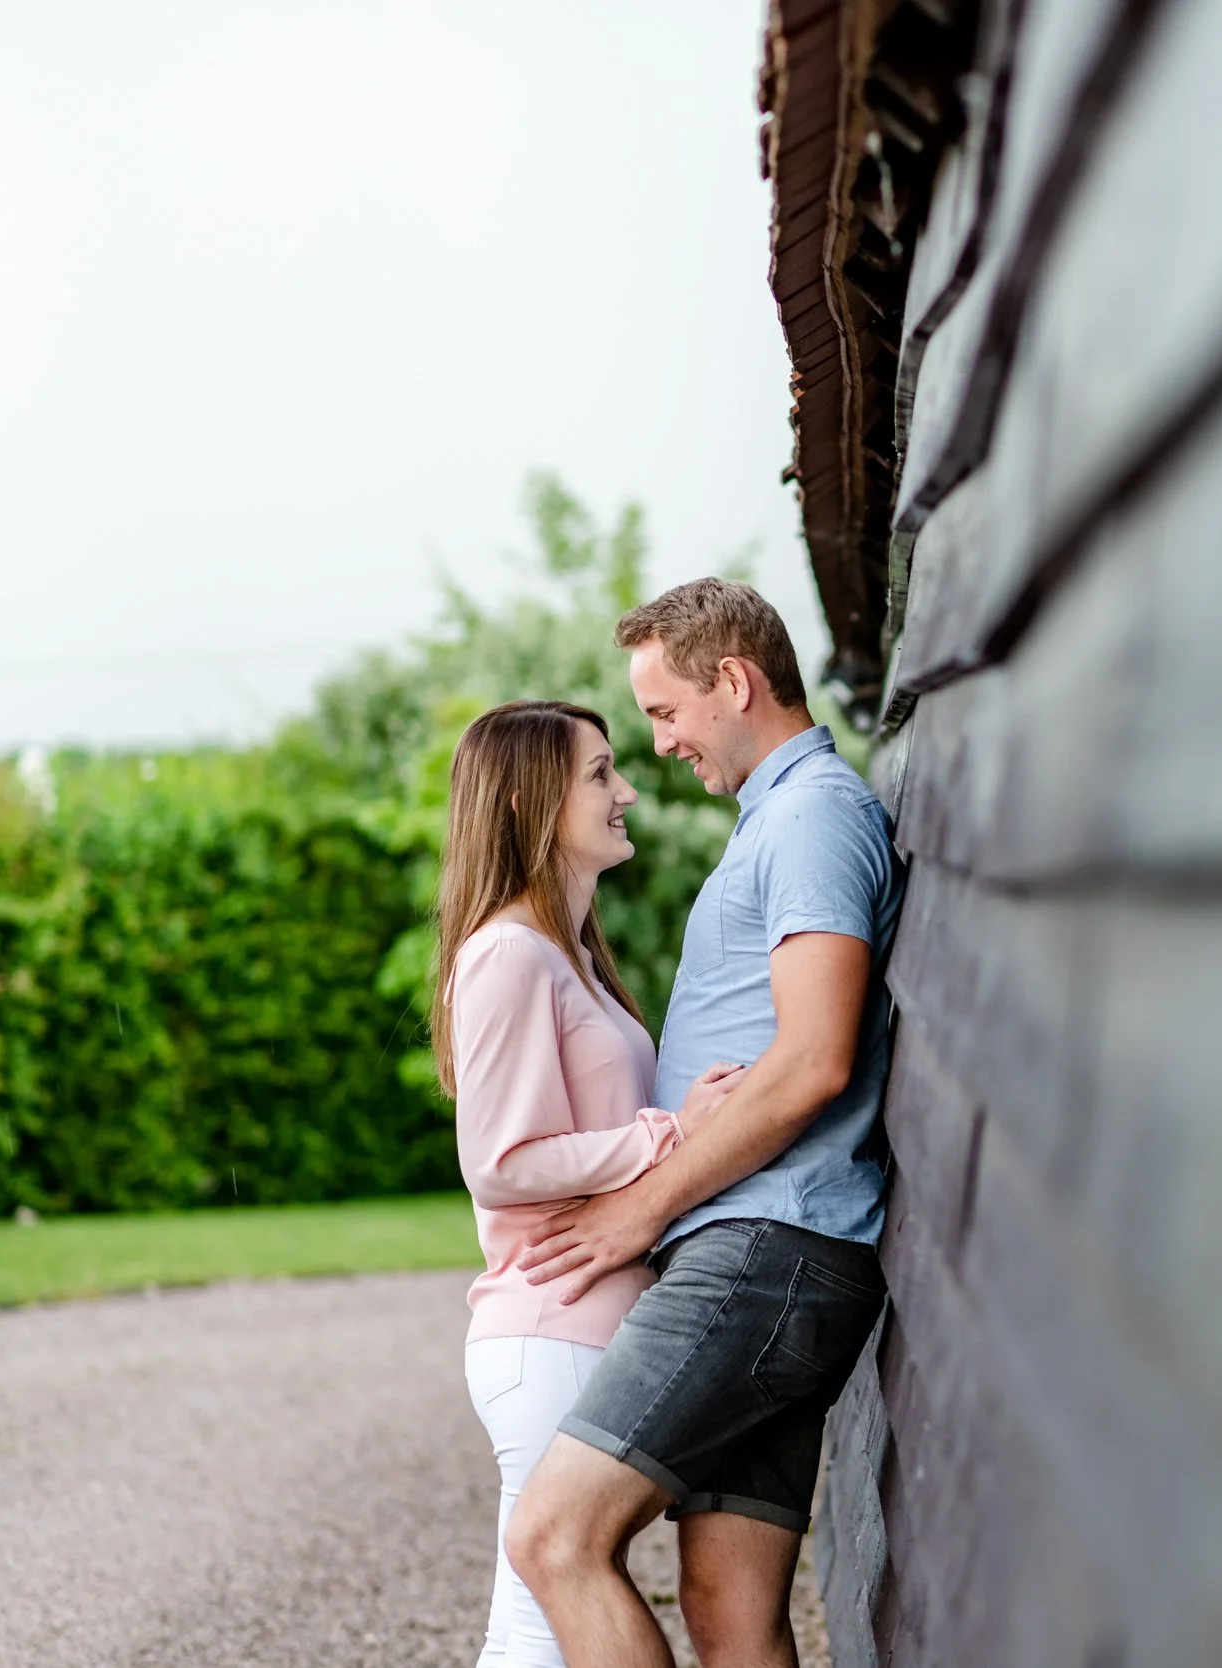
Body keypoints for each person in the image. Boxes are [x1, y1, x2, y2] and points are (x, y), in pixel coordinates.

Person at [504, 580, 905, 1668]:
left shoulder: (814, 814)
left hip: (765, 1253)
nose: (660, 743)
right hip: (782, 1255)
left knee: (554, 1535)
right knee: (728, 1610)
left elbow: (813, 1060)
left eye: (665, 711)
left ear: (733, 681)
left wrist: (640, 1210)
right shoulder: (783, 819)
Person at [437, 700, 737, 1668]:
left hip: (574, 1331)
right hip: (550, 1327)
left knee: (528, 1626)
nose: (628, 792)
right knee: (538, 1625)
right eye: (600, 774)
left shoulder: (566, 958)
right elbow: (502, 1158)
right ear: (530, 798)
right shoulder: (508, 954)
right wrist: (667, 1133)